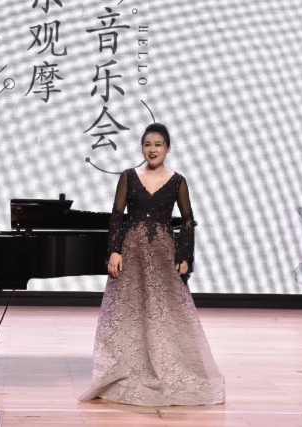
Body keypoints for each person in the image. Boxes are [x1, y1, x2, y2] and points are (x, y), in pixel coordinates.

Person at [79, 123, 225, 406]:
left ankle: (165, 364)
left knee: (164, 310)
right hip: (131, 252)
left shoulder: (178, 181)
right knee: (128, 310)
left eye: (158, 144)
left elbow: (187, 220)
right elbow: (117, 215)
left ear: (168, 148)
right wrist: (115, 251)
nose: (153, 149)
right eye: (147, 144)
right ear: (141, 148)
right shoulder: (129, 176)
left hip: (162, 254)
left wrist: (185, 256)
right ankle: (126, 366)